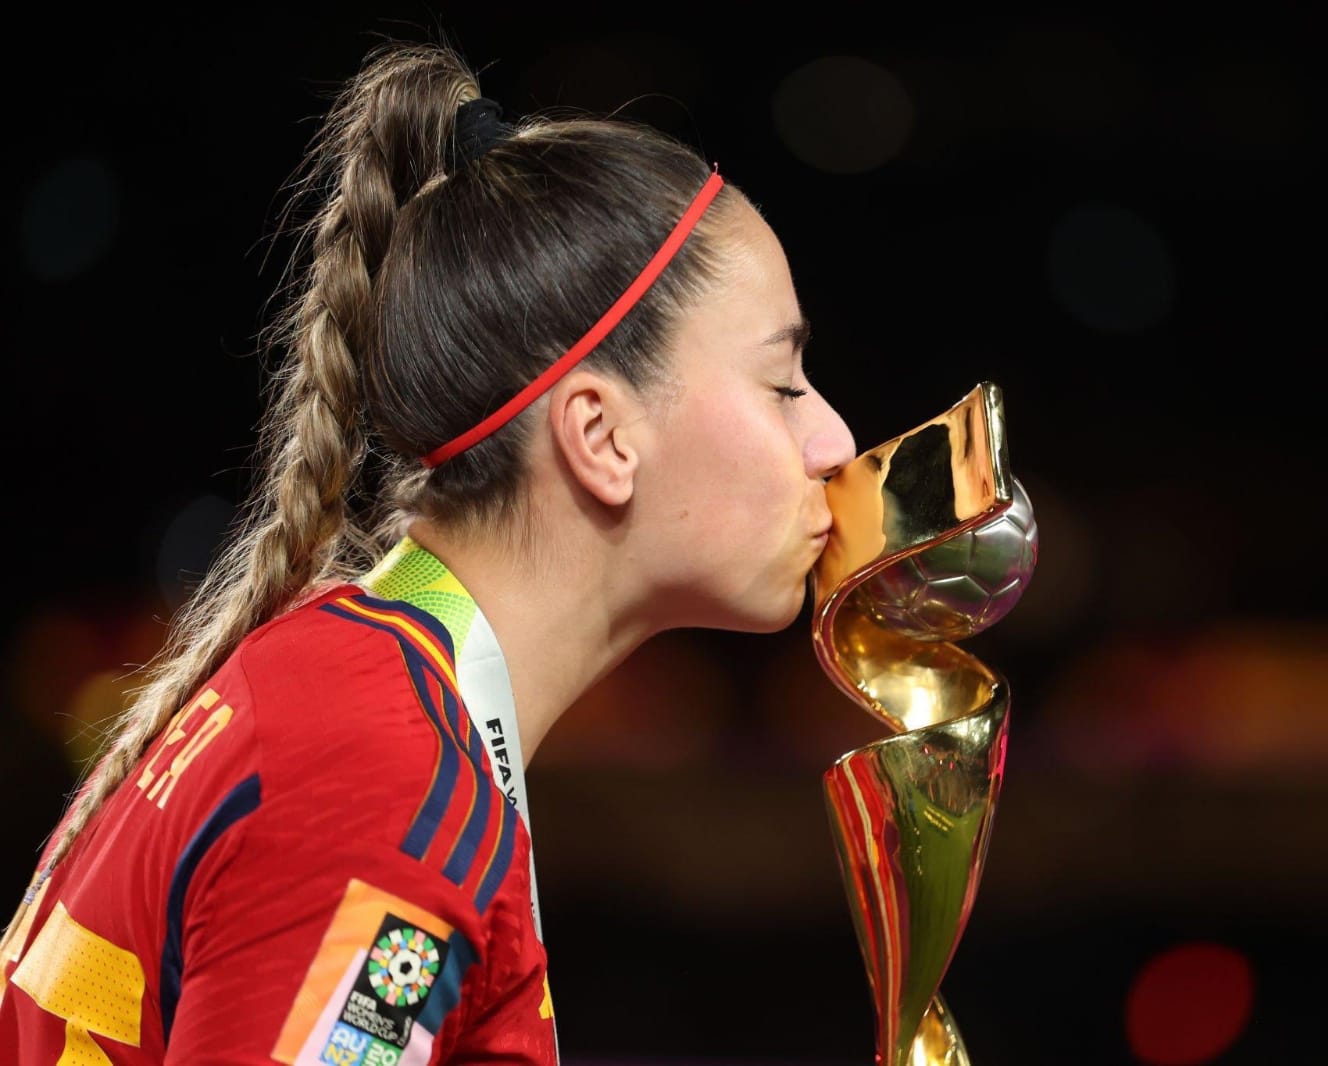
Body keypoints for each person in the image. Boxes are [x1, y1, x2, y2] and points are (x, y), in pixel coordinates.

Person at [0, 37, 855, 1065]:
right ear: (602, 436)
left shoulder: (351, 694)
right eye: (782, 383)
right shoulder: (388, 788)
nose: (834, 442)